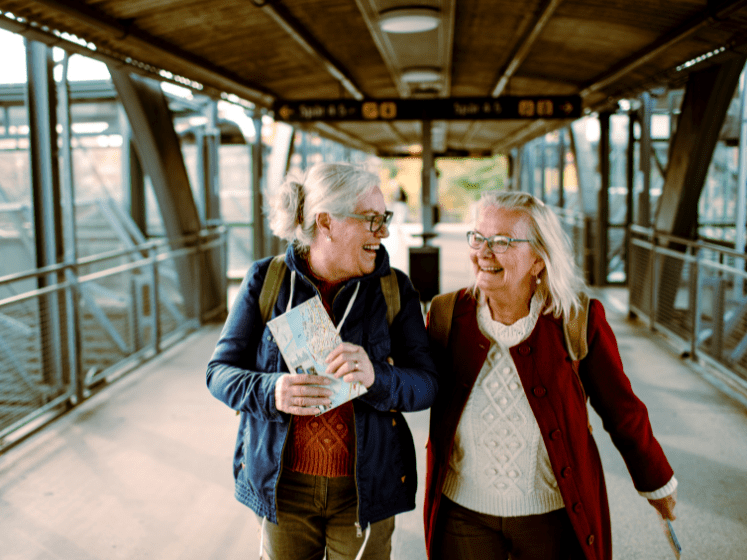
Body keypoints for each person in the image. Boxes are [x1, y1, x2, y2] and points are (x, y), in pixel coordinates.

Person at [423, 191, 677, 560]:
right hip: (463, 515)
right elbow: (414, 385)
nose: (483, 252)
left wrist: (656, 481)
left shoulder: (576, 319)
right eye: (478, 237)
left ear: (538, 261)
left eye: (503, 241)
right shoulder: (447, 315)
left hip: (552, 516)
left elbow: (621, 409)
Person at [206, 162, 439, 560]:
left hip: (364, 492)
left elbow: (426, 384)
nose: (382, 232)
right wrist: (270, 389)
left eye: (384, 219)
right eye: (371, 220)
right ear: (327, 222)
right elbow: (219, 373)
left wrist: (377, 378)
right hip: (282, 492)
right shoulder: (267, 280)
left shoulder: (394, 288)